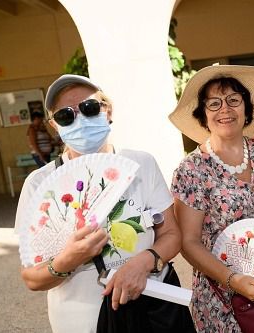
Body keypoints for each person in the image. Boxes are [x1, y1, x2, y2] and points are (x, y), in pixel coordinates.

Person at [15, 74, 182, 332]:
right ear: (54, 126)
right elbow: (32, 278)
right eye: (65, 116)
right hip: (82, 319)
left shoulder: (142, 164)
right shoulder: (39, 184)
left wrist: (144, 262)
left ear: (108, 110)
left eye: (90, 108)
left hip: (153, 305)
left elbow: (171, 234)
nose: (80, 119)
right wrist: (69, 260)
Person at [169, 64, 254, 332]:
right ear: (202, 114)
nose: (225, 109)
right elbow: (189, 242)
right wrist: (233, 279)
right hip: (222, 298)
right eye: (214, 103)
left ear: (246, 108)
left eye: (233, 100)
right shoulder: (192, 170)